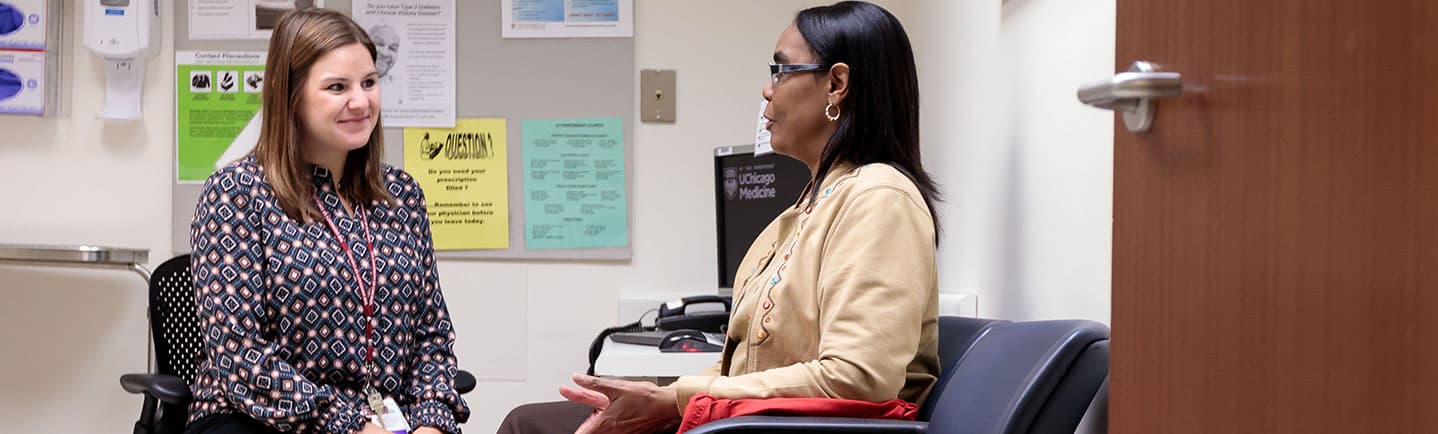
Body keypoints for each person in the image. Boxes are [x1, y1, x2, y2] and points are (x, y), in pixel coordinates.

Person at [496, 2, 940, 433]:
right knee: (531, 420)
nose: (768, 89)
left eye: (781, 71)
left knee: (529, 425)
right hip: (753, 422)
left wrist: (675, 400)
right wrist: (664, 396)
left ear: (836, 83)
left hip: (784, 428)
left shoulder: (880, 198)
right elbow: (743, 363)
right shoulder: (810, 206)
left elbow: (856, 379)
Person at [185, 8, 469, 434]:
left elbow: (432, 338)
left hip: (389, 422)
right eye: (338, 87)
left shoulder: (401, 196)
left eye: (369, 83)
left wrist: (432, 420)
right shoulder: (237, 193)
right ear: (291, 95)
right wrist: (351, 425)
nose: (361, 101)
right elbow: (239, 354)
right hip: (259, 420)